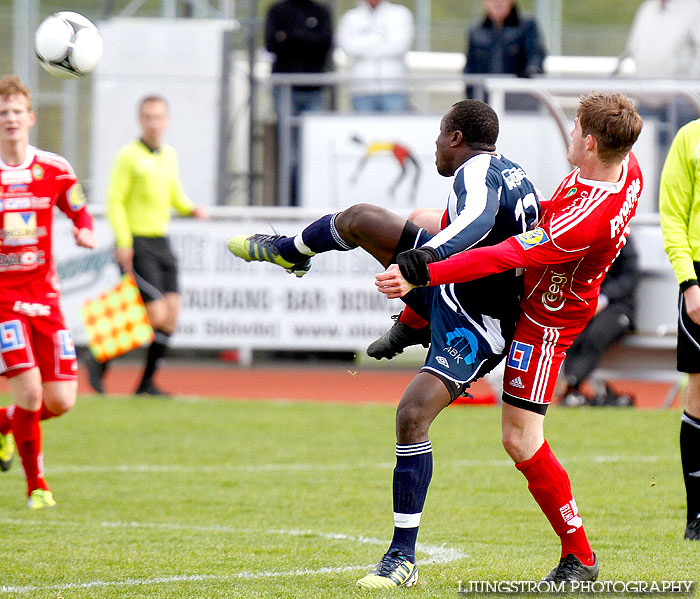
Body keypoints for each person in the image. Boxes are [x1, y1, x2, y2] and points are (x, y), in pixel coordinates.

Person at [227, 99, 543, 588]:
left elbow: (478, 222)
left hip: (478, 326)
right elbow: (483, 231)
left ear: (456, 137)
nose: (435, 144)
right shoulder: (511, 169)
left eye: (440, 133)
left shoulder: (476, 171)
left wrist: (417, 265)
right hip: (455, 290)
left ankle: (402, 558)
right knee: (360, 218)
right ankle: (292, 251)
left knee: (412, 414)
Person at [376, 92, 643, 584]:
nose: (568, 133)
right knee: (419, 218)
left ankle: (579, 558)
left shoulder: (587, 219)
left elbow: (506, 256)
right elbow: (543, 219)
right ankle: (413, 324)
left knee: (519, 438)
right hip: (544, 284)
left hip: (544, 320)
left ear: (588, 141)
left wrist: (425, 272)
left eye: (574, 127)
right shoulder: (623, 165)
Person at [0, 75, 97, 509]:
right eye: (3, 113)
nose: (10, 119)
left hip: (46, 300)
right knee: (32, 393)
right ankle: (37, 485)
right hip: (4, 303)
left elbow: (79, 209)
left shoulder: (54, 168)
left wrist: (84, 231)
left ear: (31, 118)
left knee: (61, 400)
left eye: (17, 111)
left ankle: (5, 423)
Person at [87, 95, 208, 396]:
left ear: (166, 120)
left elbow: (174, 195)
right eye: (148, 117)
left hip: (161, 242)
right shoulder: (128, 156)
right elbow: (114, 201)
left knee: (172, 314)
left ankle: (146, 384)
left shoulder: (168, 155)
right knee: (155, 314)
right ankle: (100, 355)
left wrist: (191, 209)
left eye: (159, 117)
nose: (154, 122)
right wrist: (124, 242)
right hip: (138, 242)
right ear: (140, 121)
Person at [659, 117, 700, 541]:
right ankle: (697, 516)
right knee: (699, 395)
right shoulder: (690, 138)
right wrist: (689, 283)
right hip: (699, 279)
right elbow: (672, 215)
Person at [265, 0, 333, 205]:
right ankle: (291, 203)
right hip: (285, 90)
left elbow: (325, 44)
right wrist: (307, 38)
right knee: (290, 152)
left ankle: (313, 201)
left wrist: (291, 36)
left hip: (314, 89)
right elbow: (271, 44)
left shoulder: (320, 11)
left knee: (314, 150)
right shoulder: (277, 11)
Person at [559, 236, 639, 407]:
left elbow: (629, 278)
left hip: (619, 308)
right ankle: (573, 389)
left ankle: (571, 382)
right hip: (588, 304)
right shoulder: (586, 240)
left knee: (596, 335)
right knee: (573, 335)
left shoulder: (624, 240)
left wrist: (603, 299)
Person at [617, 0, 700, 144]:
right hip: (646, 103)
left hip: (683, 106)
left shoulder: (694, 8)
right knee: (646, 157)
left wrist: (686, 87)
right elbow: (634, 49)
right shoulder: (648, 8)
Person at [464, 0, 546, 109]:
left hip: (519, 104)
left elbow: (536, 55)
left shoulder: (526, 26)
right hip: (485, 104)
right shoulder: (476, 31)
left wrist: (530, 74)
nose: (497, 3)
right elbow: (470, 69)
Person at [336, 0, 415, 112]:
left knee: (395, 128)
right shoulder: (350, 17)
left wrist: (363, 42)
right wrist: (381, 38)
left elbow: (400, 45)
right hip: (361, 89)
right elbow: (348, 47)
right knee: (364, 128)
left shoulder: (400, 13)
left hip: (394, 87)